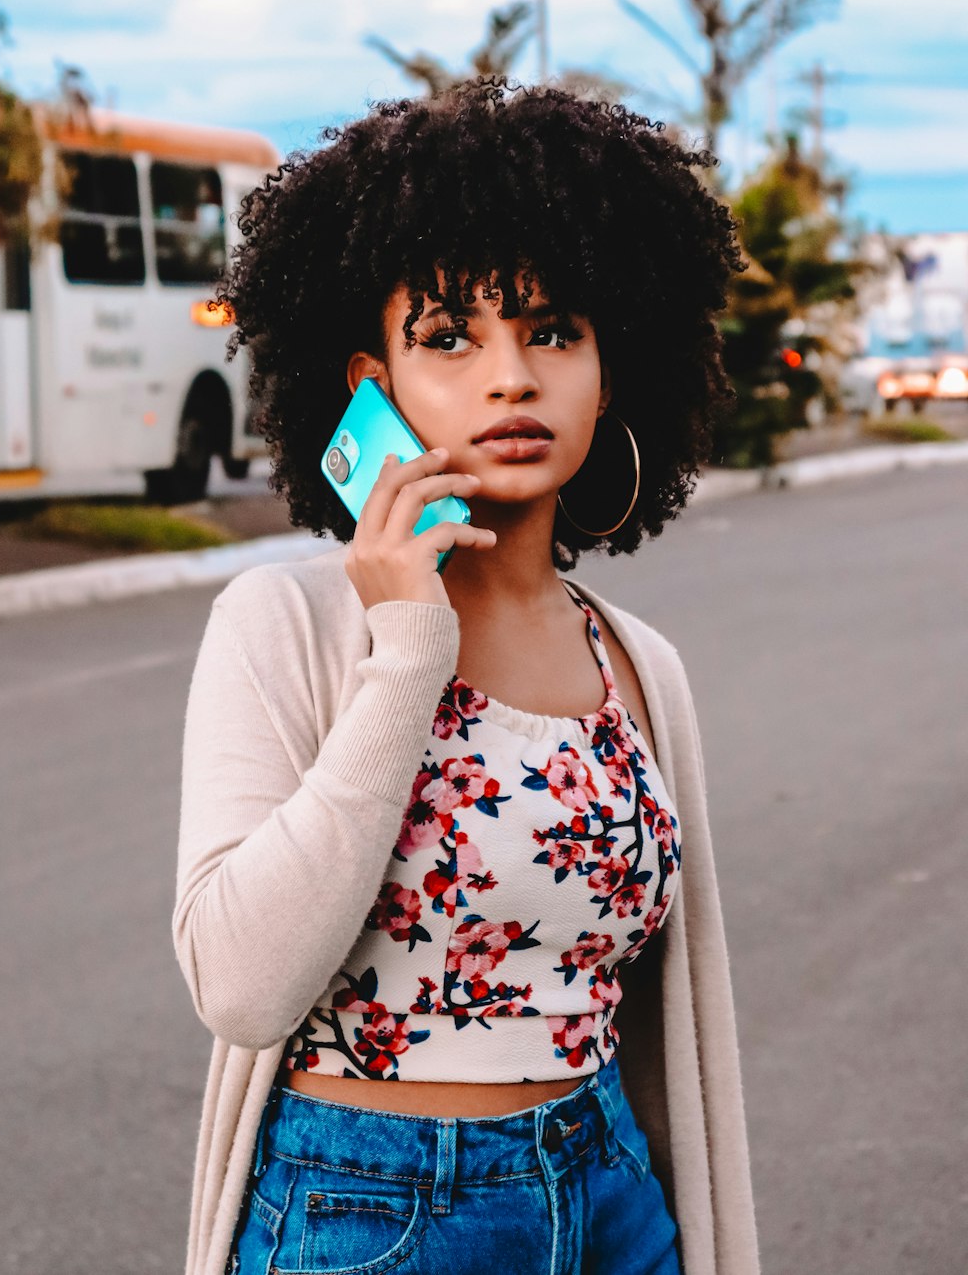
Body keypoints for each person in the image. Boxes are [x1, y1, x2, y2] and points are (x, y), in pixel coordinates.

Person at [173, 80, 760, 1275]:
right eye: (449, 337)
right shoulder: (286, 621)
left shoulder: (639, 662)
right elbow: (239, 987)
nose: (510, 377)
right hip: (375, 1213)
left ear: (611, 368)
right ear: (368, 386)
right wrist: (407, 653)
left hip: (611, 1199)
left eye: (553, 331)